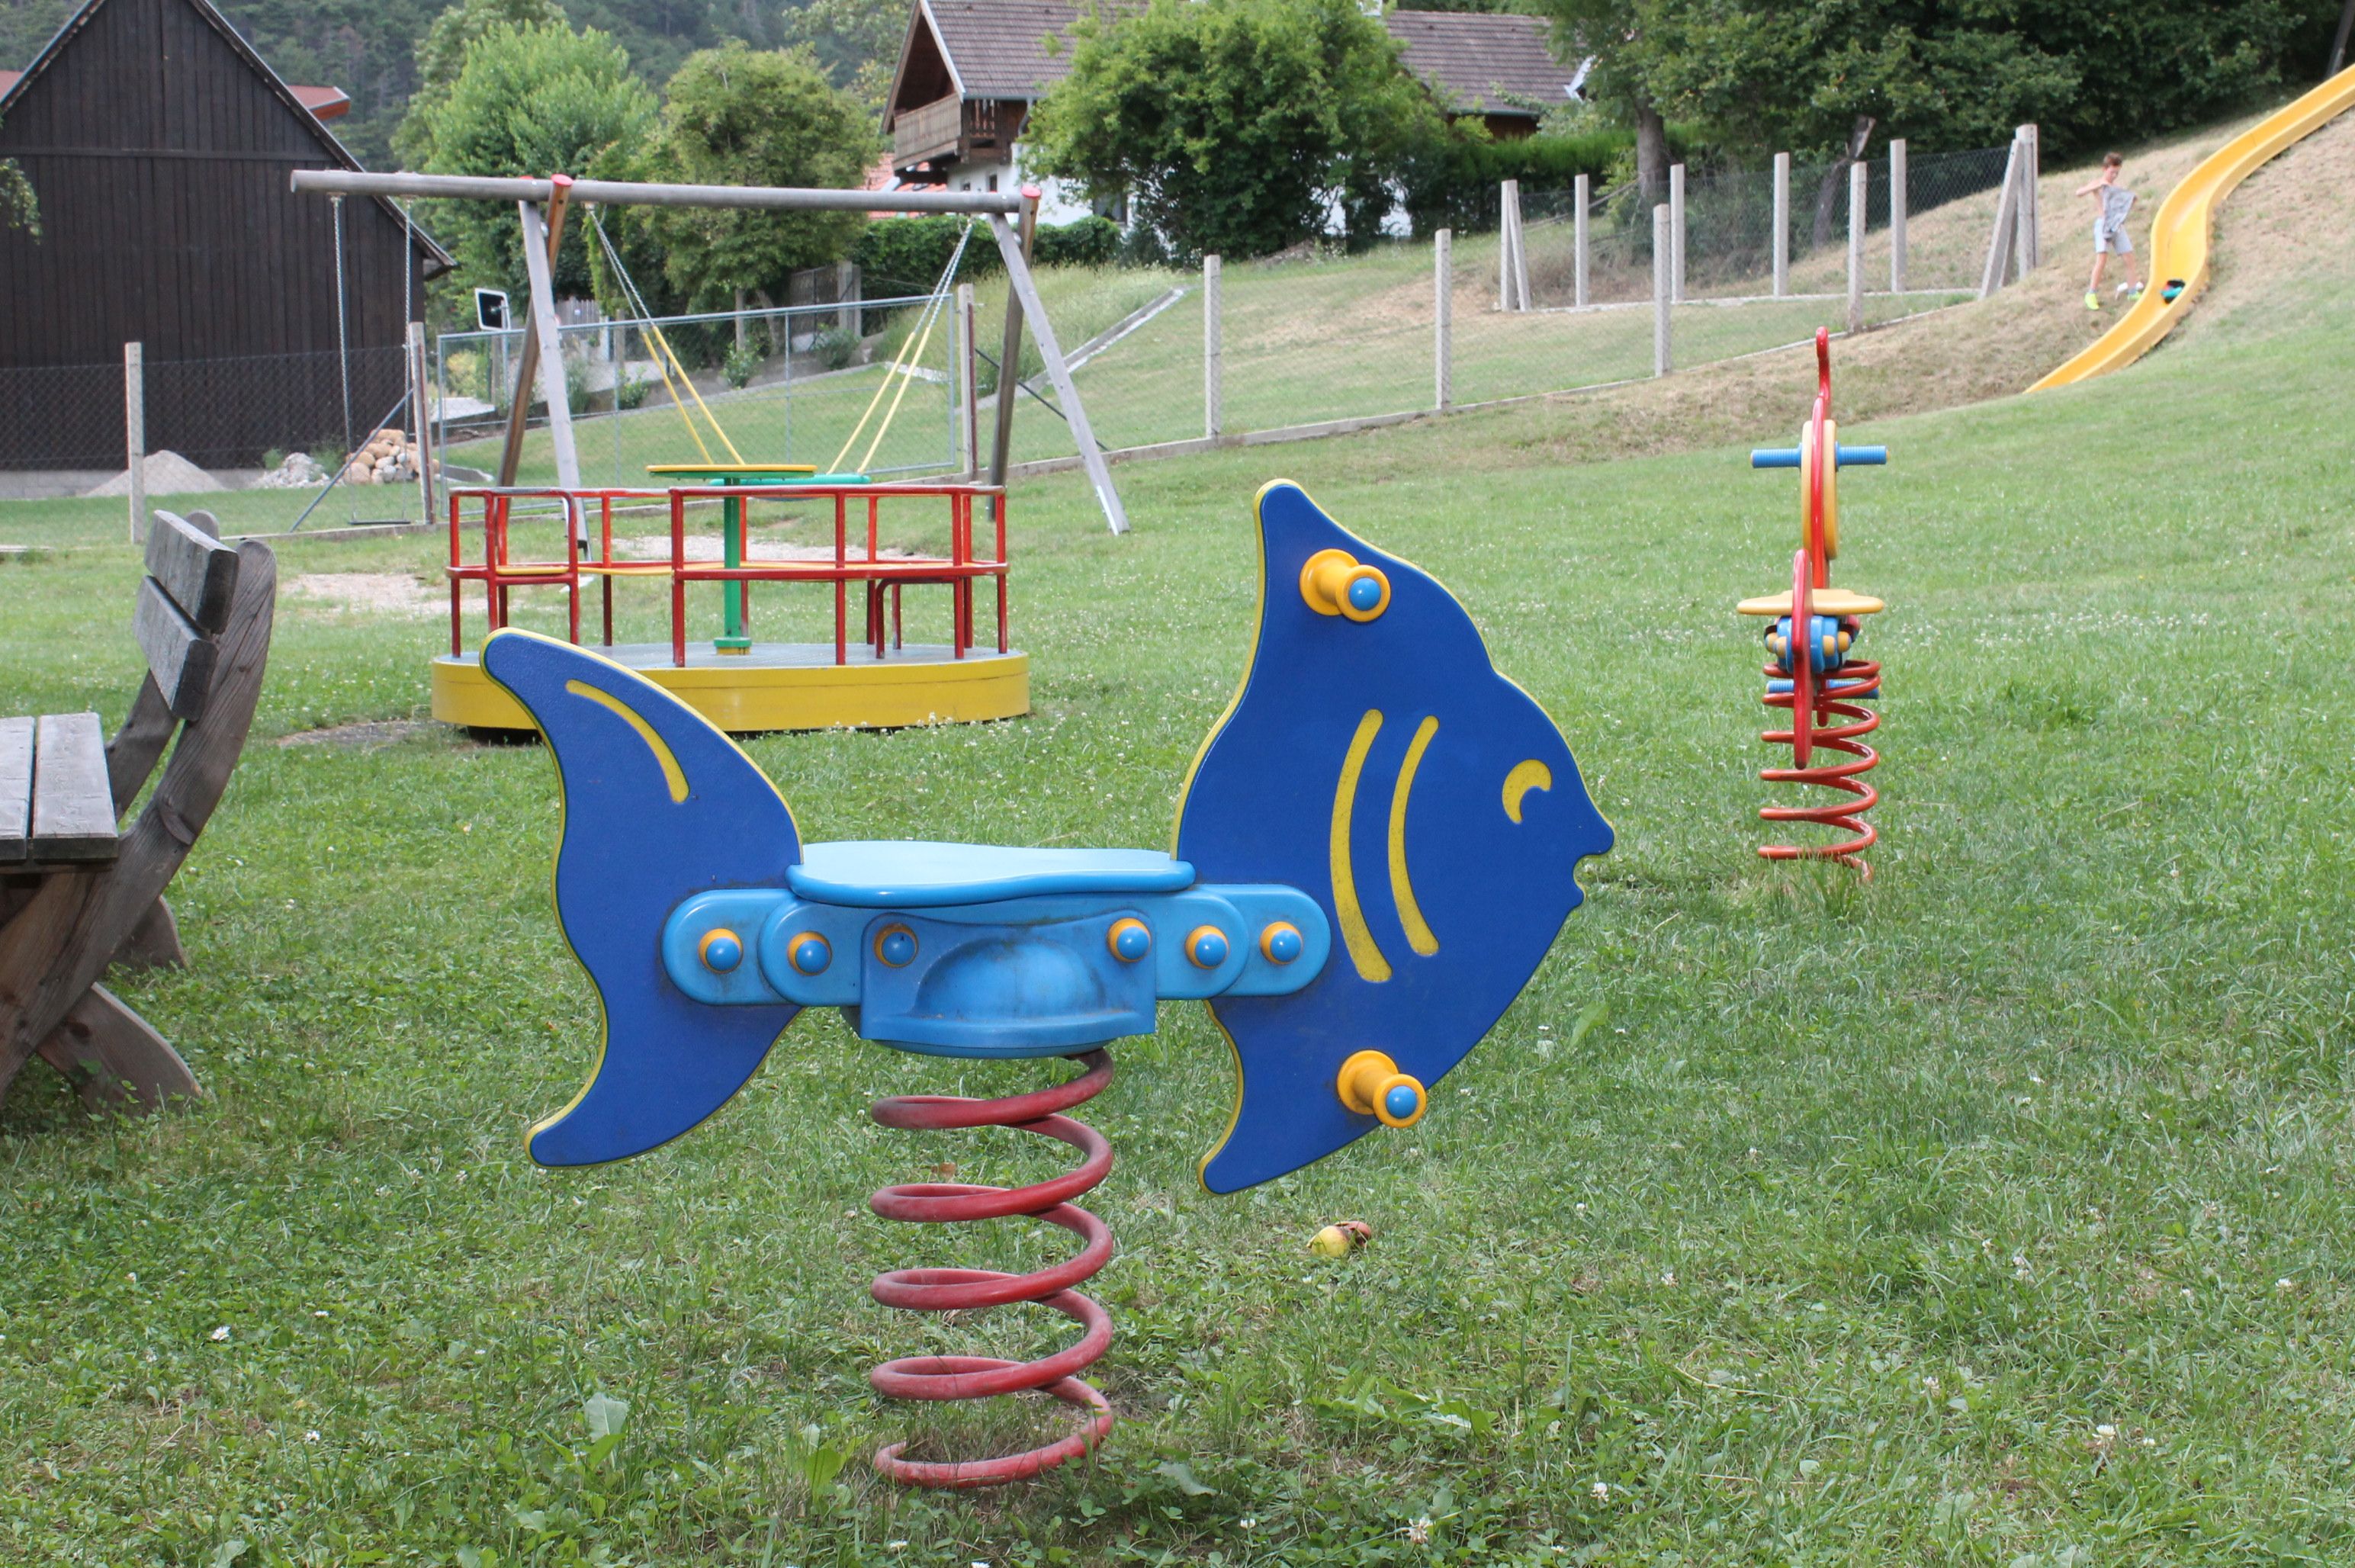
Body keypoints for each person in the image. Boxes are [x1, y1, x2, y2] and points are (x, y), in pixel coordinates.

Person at [2076, 153, 2142, 310]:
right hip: (2103, 225)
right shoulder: (2098, 183)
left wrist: (2131, 199)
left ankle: (2133, 291)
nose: (2114, 175)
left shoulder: (2116, 188)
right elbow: (2079, 193)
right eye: (2112, 172)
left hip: (2116, 225)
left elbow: (2125, 203)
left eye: (2117, 173)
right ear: (2104, 169)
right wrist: (2097, 186)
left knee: (2129, 257)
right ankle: (2091, 294)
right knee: (2102, 258)